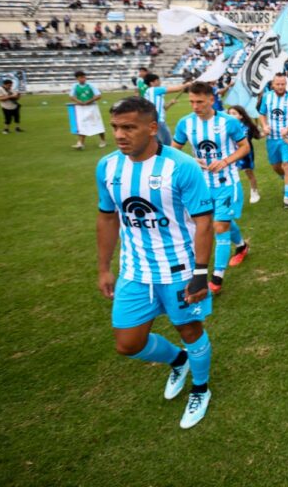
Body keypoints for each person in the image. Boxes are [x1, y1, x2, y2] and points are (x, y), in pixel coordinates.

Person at [95, 96, 215, 429]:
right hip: (134, 272)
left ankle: (201, 389)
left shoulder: (181, 166)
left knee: (190, 329)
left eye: (129, 127)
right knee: (128, 343)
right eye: (116, 127)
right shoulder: (107, 166)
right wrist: (104, 267)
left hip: (178, 269)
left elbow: (204, 222)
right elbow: (107, 218)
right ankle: (178, 360)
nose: (120, 135)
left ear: (151, 128)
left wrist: (200, 274)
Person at [172, 82, 251, 293]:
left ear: (211, 99)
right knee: (218, 223)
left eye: (199, 101)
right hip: (201, 185)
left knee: (219, 227)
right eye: (191, 102)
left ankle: (216, 278)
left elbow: (245, 147)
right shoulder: (185, 123)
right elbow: (174, 150)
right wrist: (190, 160)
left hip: (227, 182)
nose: (195, 106)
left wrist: (225, 161)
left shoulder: (228, 122)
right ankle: (242, 246)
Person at [257, 73, 288, 208]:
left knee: (287, 166)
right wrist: (264, 125)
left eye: (283, 84)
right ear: (273, 85)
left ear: (286, 84)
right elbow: (262, 114)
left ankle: (287, 199)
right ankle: (286, 180)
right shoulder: (267, 97)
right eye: (278, 84)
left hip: (287, 139)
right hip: (271, 138)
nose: (280, 86)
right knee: (276, 166)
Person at [227, 104, 263, 204]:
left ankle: (254, 191)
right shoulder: (225, 126)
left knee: (248, 172)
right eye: (229, 113)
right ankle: (231, 194)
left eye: (234, 113)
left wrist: (266, 132)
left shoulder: (246, 127)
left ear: (241, 116)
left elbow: (256, 136)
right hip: (230, 153)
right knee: (230, 174)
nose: (231, 115)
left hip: (245, 154)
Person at [142, 73, 188, 146]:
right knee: (169, 145)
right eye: (157, 80)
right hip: (158, 122)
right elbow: (177, 89)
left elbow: (163, 109)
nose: (159, 82)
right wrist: (187, 84)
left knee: (158, 145)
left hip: (153, 122)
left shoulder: (149, 93)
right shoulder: (154, 90)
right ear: (152, 83)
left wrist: (170, 103)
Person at [68, 71, 107, 150]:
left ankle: (103, 140)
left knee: (96, 123)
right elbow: (71, 96)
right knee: (81, 124)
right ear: (77, 79)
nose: (82, 79)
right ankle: (81, 143)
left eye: (83, 77)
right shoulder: (75, 86)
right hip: (81, 108)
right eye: (80, 77)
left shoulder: (90, 85)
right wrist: (79, 102)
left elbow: (98, 95)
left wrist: (89, 101)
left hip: (92, 107)